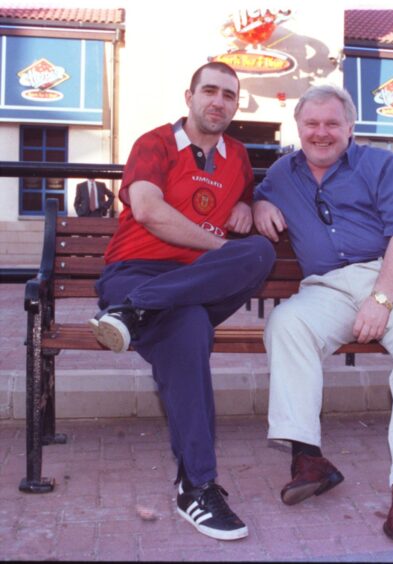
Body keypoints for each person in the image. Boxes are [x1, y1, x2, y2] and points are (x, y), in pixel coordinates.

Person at [253, 85, 393, 543]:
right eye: (311, 124)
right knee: (287, 323)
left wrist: (380, 301)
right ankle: (307, 457)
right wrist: (261, 202)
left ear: (350, 127)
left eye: (332, 124)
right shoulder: (283, 173)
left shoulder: (385, 165)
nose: (321, 133)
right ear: (298, 127)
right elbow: (255, 192)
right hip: (328, 287)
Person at [88, 62, 275, 541]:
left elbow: (252, 206)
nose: (218, 101)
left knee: (258, 251)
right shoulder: (154, 143)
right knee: (190, 328)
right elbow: (148, 210)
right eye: (209, 91)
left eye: (229, 95)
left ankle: (135, 313)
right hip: (135, 273)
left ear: (236, 105)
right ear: (189, 96)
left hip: (190, 285)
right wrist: (220, 250)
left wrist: (250, 206)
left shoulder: (238, 157)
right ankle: (197, 486)